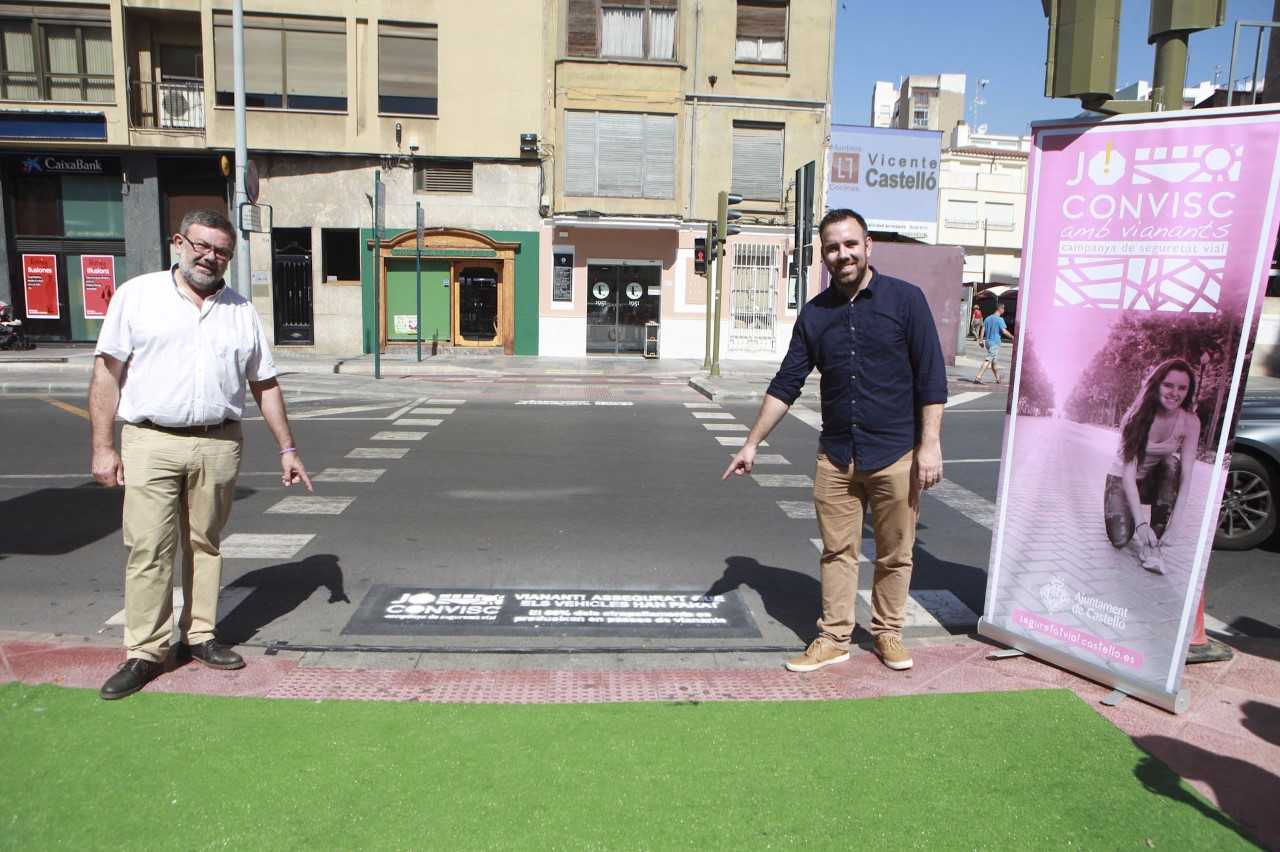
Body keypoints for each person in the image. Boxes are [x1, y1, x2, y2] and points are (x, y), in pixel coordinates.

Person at [89, 209, 313, 701]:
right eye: (202, 246)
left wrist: (288, 448)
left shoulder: (239, 310)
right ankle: (145, 652)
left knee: (206, 543)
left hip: (219, 441)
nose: (211, 258)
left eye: (222, 252)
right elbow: (108, 373)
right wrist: (103, 446)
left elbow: (265, 383)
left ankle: (201, 635)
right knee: (149, 547)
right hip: (151, 439)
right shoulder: (138, 296)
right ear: (178, 242)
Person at [723, 209, 947, 673]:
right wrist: (752, 443)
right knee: (837, 552)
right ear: (822, 255)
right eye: (832, 247)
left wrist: (930, 444)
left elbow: (931, 378)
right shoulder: (816, 315)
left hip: (895, 453)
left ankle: (887, 633)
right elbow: (787, 382)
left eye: (850, 244)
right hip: (837, 456)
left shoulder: (906, 301)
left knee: (895, 553)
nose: (842, 254)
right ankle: (834, 638)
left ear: (868, 246)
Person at [1103, 358, 1201, 576]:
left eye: (1182, 388)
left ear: (1188, 391)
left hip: (1151, 481)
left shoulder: (1190, 422)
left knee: (1171, 463)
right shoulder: (1134, 417)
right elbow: (1128, 475)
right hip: (1121, 479)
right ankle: (1139, 526)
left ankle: (1153, 547)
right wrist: (1140, 524)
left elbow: (1186, 475)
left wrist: (1177, 522)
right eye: (1168, 385)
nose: (1174, 392)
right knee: (1119, 539)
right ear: (1156, 384)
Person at [973, 302, 1014, 384]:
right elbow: (1004, 331)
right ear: (1000, 309)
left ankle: (998, 378)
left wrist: (981, 341)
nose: (1004, 310)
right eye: (1003, 308)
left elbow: (983, 329)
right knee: (988, 359)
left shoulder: (987, 318)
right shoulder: (1000, 319)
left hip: (988, 342)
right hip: (994, 343)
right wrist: (1013, 337)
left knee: (994, 361)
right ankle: (978, 377)